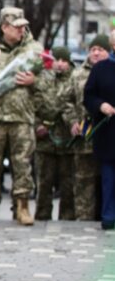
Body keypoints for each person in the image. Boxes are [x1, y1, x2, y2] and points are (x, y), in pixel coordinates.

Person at [0, 7, 43, 226]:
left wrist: (35, 81)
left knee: (23, 163)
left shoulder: (33, 50)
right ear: (5, 27)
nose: (22, 30)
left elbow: (48, 82)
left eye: (24, 26)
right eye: (17, 27)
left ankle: (22, 207)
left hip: (22, 117)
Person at [62, 34, 111, 221]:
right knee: (83, 181)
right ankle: (84, 219)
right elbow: (67, 101)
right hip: (84, 138)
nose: (96, 53)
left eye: (101, 49)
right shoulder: (77, 74)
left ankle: (104, 216)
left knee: (105, 181)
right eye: (93, 49)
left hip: (106, 135)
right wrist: (72, 121)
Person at [33, 46, 75, 220]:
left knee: (68, 184)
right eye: (57, 60)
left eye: (64, 61)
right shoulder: (41, 79)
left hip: (67, 140)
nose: (60, 64)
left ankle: (68, 217)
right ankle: (42, 215)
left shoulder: (75, 79)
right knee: (44, 182)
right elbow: (32, 105)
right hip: (45, 140)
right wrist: (37, 126)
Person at [83, 31, 115, 230]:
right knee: (109, 179)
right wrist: (101, 105)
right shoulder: (101, 68)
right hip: (109, 133)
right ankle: (109, 216)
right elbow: (88, 96)